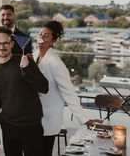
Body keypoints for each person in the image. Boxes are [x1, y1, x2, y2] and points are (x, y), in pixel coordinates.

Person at [33, 21, 103, 156]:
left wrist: (84, 119)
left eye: (46, 36)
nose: (41, 37)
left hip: (48, 117)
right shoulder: (34, 55)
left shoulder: (55, 63)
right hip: (33, 115)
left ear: (53, 41)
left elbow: (69, 93)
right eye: (40, 34)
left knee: (44, 152)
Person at [0, 27, 48, 156]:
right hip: (8, 127)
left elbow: (44, 87)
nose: (2, 47)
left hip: (31, 125)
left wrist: (26, 70)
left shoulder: (25, 60)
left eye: (5, 43)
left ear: (12, 44)